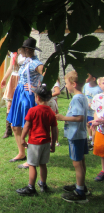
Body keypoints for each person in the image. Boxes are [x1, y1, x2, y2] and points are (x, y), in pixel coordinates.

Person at [15, 84, 58, 196]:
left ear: (37, 98)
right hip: (46, 143)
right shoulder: (51, 112)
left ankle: (31, 188)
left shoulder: (33, 111)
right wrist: (53, 144)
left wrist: (23, 138)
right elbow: (54, 130)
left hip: (34, 143)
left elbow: (27, 126)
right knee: (43, 164)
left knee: (32, 165)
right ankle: (43, 184)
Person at [7, 37, 43, 164]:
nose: (19, 51)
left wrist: (36, 88)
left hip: (28, 97)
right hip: (19, 95)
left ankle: (32, 158)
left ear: (26, 49)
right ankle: (21, 153)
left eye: (20, 48)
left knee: (28, 127)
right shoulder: (26, 61)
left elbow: (48, 76)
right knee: (15, 126)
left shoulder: (35, 63)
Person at [56, 71, 90, 203]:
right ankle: (81, 185)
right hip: (81, 134)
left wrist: (63, 117)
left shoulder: (76, 98)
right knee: (81, 161)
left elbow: (79, 117)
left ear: (74, 84)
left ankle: (80, 193)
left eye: (67, 84)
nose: (66, 86)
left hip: (75, 135)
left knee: (77, 163)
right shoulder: (82, 97)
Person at [0, 49, 25, 138]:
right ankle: (8, 130)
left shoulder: (24, 53)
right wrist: (4, 79)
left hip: (22, 78)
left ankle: (23, 128)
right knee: (9, 105)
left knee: (22, 104)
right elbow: (11, 67)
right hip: (13, 78)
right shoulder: (13, 53)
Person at [89, 77, 104, 182]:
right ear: (99, 84)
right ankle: (103, 170)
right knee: (102, 151)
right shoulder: (97, 97)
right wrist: (95, 121)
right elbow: (95, 111)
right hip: (101, 129)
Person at [82, 73, 102, 150]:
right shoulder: (86, 86)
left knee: (93, 126)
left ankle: (93, 142)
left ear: (93, 79)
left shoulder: (98, 89)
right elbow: (84, 95)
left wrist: (92, 105)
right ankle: (90, 138)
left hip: (94, 111)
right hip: (87, 110)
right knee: (87, 124)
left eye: (88, 76)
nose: (86, 77)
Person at [47, 78, 61, 146]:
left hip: (51, 103)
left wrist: (47, 96)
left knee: (53, 123)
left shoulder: (54, 82)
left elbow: (57, 92)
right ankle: (49, 140)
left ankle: (56, 141)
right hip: (47, 103)